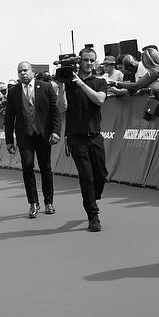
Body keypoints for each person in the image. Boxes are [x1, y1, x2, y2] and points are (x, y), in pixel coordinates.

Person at [3, 61, 61, 217]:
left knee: (45, 168)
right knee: (27, 166)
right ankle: (33, 203)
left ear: (32, 72)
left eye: (25, 70)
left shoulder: (46, 87)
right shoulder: (13, 92)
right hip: (25, 136)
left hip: (43, 134)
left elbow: (55, 111)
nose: (23, 73)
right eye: (20, 71)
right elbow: (9, 117)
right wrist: (9, 140)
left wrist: (56, 132)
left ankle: (48, 202)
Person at [61, 47, 108, 231]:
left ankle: (92, 197)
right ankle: (93, 216)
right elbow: (61, 108)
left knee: (101, 175)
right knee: (86, 177)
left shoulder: (100, 82)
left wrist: (80, 83)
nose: (88, 63)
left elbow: (99, 100)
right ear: (79, 61)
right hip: (75, 137)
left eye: (91, 60)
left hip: (95, 135)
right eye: (85, 60)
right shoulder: (68, 84)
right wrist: (62, 85)